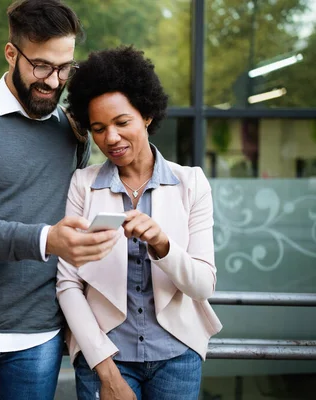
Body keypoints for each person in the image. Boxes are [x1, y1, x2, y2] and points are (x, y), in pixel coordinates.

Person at [0, 1, 120, 399]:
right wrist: (48, 240)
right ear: (11, 53)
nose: (53, 80)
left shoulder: (75, 133)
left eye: (65, 68)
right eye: (42, 66)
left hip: (37, 340)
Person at [57, 46, 223, 400]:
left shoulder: (190, 183)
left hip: (177, 355)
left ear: (146, 115)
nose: (111, 139)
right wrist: (105, 370)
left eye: (122, 122)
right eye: (98, 129)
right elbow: (68, 285)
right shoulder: (83, 184)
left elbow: (203, 285)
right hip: (105, 355)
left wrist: (162, 245)